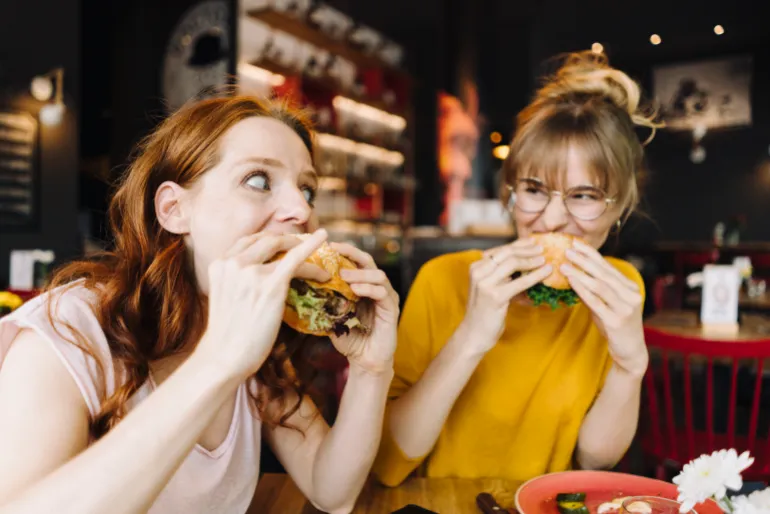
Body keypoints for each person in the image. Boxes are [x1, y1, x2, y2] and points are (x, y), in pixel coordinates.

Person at [0, 95, 399, 514]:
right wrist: (218, 362)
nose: (301, 210)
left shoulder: (257, 346)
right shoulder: (67, 331)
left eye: (307, 190)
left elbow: (331, 489)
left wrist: (372, 370)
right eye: (259, 180)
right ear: (174, 210)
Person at [373, 51, 660, 488]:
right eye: (534, 190)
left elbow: (594, 459)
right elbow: (389, 461)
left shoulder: (620, 290)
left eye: (583, 196)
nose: (550, 220)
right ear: (510, 194)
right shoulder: (442, 279)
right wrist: (471, 337)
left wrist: (630, 363)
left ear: (618, 208)